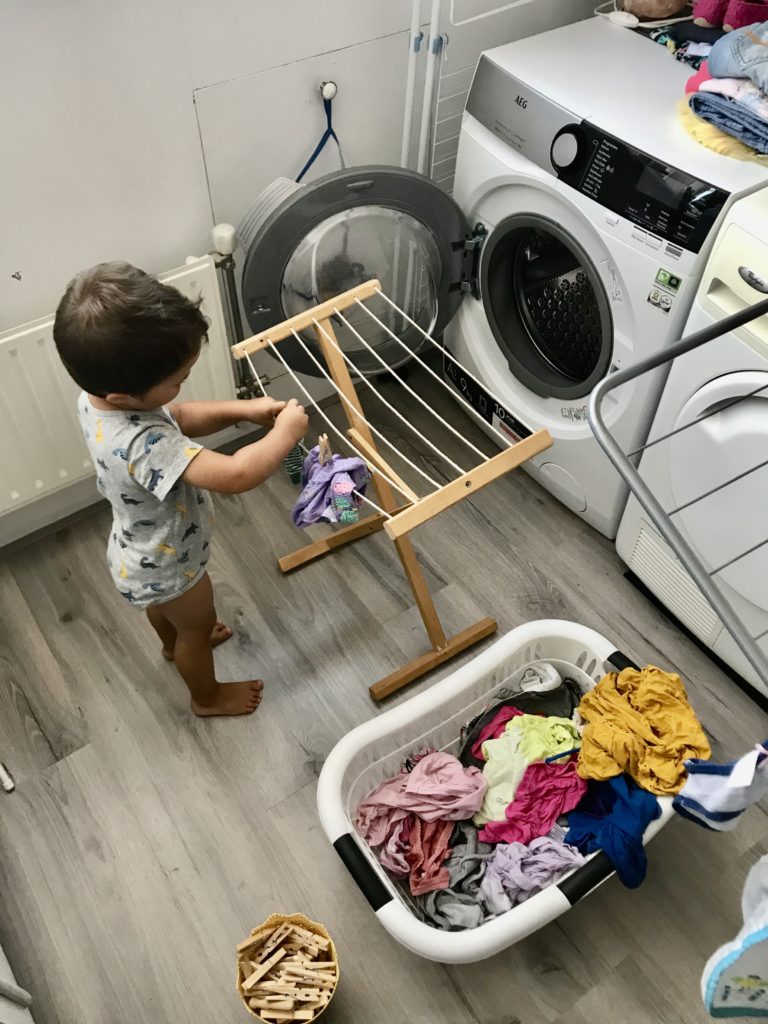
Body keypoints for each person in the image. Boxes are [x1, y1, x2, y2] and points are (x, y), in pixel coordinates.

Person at [53, 261, 308, 717]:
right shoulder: (143, 444)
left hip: (137, 554)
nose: (181, 387)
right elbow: (235, 475)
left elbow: (179, 417)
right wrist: (285, 433)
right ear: (123, 397)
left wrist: (243, 410)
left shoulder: (98, 400)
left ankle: (173, 644)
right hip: (171, 566)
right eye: (177, 381)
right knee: (197, 627)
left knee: (167, 613)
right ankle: (207, 696)